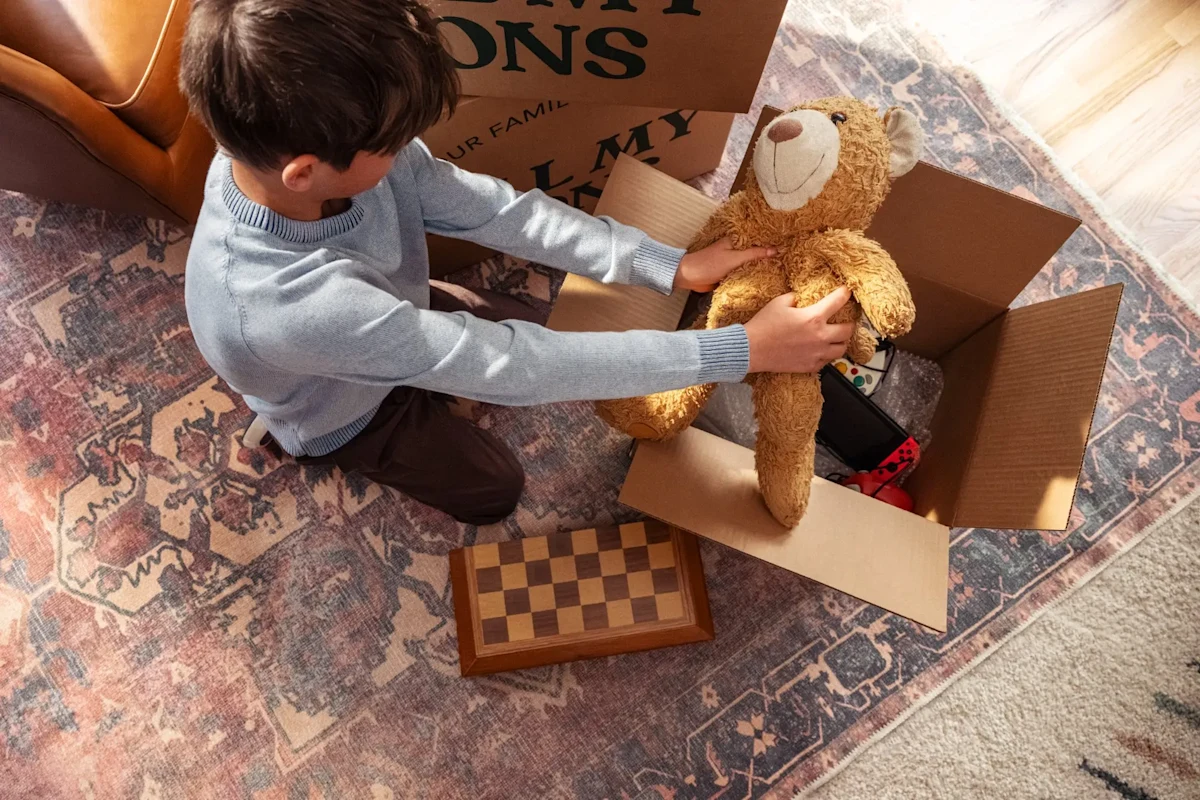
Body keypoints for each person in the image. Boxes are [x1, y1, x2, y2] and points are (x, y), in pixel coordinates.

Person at [179, 0, 853, 525]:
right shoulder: (290, 305)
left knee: (544, 326)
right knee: (494, 487)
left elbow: (495, 211)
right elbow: (518, 367)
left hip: (383, 312)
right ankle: (306, 438)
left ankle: (421, 332)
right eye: (393, 143)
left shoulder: (286, 138)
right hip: (343, 409)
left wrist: (662, 264)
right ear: (305, 172)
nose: (411, 149)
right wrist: (741, 350)